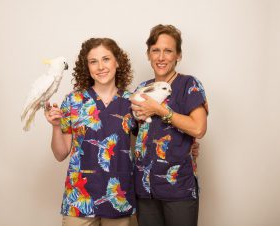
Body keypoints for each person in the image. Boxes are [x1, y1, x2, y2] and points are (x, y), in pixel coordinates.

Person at [44, 38, 137, 226]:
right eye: (93, 61)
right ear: (87, 67)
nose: (100, 66)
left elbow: (147, 143)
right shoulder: (73, 101)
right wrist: (55, 126)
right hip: (79, 200)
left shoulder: (133, 102)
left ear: (117, 62)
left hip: (118, 198)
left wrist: (189, 147)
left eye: (106, 59)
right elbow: (61, 153)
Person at [130, 24, 208, 226]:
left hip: (178, 187)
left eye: (168, 51)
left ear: (178, 55)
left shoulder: (188, 85)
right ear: (148, 54)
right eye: (155, 50)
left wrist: (160, 110)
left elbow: (199, 128)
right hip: (144, 188)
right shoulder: (141, 89)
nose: (161, 57)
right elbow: (136, 134)